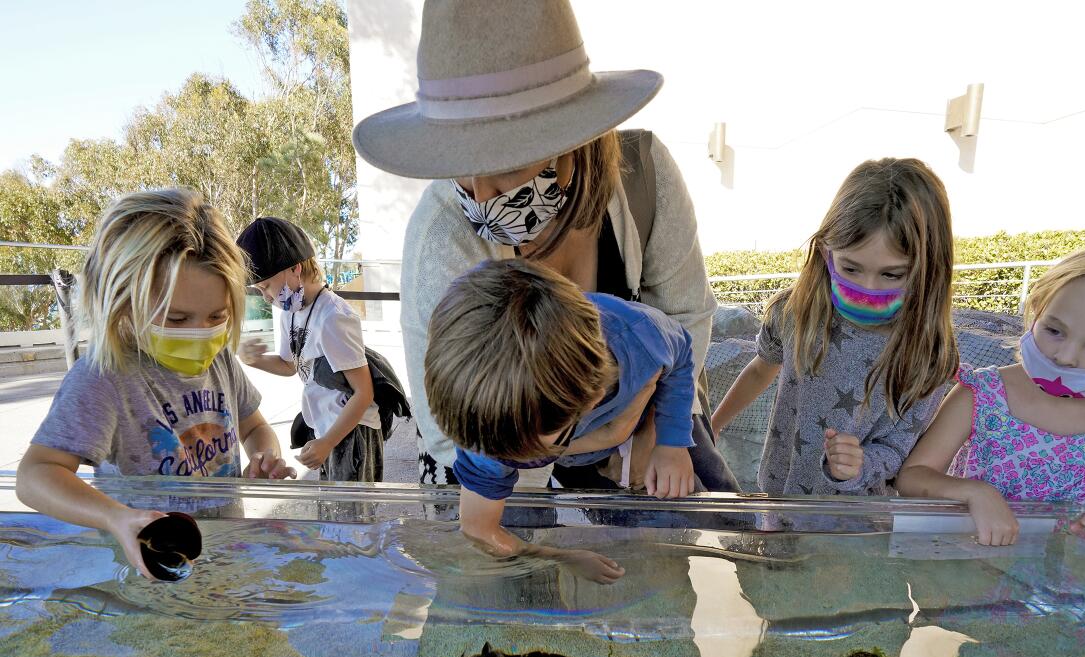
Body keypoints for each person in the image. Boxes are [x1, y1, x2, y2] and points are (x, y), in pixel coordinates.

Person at [352, 0, 736, 493]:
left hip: (655, 419)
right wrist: (583, 443)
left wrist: (654, 429)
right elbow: (451, 428)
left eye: (505, 164)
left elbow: (686, 318)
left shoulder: (645, 174)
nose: (479, 193)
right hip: (503, 462)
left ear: (575, 141)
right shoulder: (439, 235)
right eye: (458, 163)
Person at [16, 188, 295, 579]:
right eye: (177, 319)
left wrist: (263, 457)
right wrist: (115, 518)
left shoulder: (220, 360)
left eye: (217, 316)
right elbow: (35, 475)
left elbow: (255, 426)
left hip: (225, 554)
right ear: (123, 301)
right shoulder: (104, 376)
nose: (201, 333)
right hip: (148, 565)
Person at [897, 241, 1085, 546]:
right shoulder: (982, 393)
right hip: (963, 565)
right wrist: (973, 492)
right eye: (1054, 330)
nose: (1065, 356)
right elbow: (913, 476)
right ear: (1038, 308)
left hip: (1062, 586)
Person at [424, 258, 700, 577]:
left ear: (593, 396)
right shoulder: (487, 431)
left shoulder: (639, 337)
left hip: (636, 411)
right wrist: (561, 557)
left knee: (684, 516)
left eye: (526, 451)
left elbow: (679, 357)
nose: (502, 458)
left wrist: (671, 443)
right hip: (597, 435)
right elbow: (478, 530)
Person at [710, 158, 959, 497]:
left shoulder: (928, 352)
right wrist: (715, 424)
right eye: (851, 268)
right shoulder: (795, 311)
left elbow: (902, 450)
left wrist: (860, 464)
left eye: (892, 274)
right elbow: (759, 371)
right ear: (826, 251)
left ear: (929, 269)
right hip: (781, 497)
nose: (868, 289)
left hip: (858, 524)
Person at [236, 217, 384, 482]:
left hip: (352, 430)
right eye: (259, 290)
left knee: (352, 518)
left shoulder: (333, 317)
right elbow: (289, 365)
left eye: (266, 286)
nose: (266, 297)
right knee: (334, 516)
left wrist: (328, 442)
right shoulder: (289, 313)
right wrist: (254, 360)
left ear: (296, 268)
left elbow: (363, 393)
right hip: (326, 429)